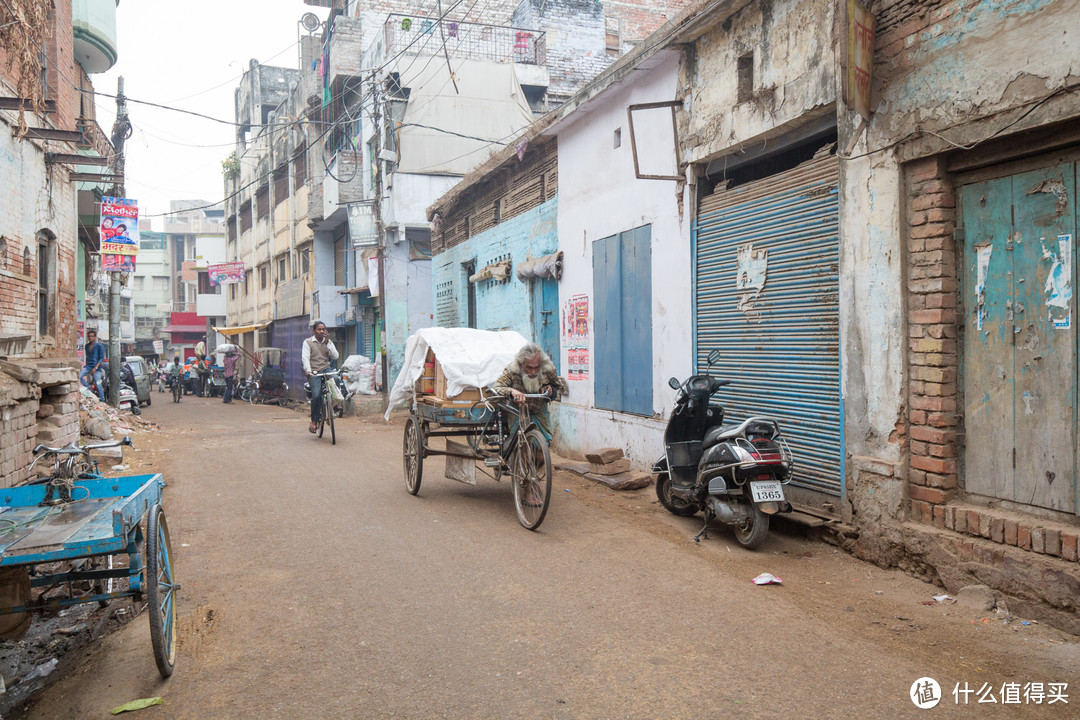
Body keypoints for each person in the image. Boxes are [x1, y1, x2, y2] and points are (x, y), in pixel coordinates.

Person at [491, 343, 566, 443]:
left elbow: (557, 386)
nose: (533, 372)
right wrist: (512, 391)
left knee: (543, 447)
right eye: (529, 368)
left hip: (539, 409)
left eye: (536, 367)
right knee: (520, 444)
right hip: (518, 410)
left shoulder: (548, 369)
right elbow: (496, 388)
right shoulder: (512, 370)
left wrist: (550, 390)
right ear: (521, 364)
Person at [302, 320, 339, 433]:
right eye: (319, 329)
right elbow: (305, 358)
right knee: (317, 395)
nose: (322, 331)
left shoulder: (328, 342)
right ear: (314, 331)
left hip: (326, 369)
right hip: (314, 371)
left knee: (337, 380)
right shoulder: (308, 342)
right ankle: (314, 421)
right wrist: (308, 371)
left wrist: (328, 343)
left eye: (323, 329)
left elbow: (336, 356)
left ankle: (334, 405)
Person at [80, 329, 107, 401]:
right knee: (79, 376)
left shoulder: (99, 346)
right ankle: (88, 388)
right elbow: (87, 357)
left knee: (98, 384)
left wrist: (96, 367)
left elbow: (101, 359)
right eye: (89, 336)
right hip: (88, 366)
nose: (90, 338)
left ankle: (102, 400)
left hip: (97, 368)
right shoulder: (86, 346)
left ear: (95, 337)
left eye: (92, 336)